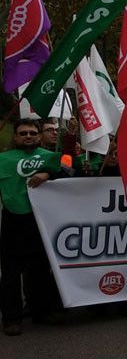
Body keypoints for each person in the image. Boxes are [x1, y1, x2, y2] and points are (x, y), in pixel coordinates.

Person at [0, 119, 63, 336]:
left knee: (39, 269)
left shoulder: (51, 157)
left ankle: (41, 312)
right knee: (10, 273)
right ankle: (11, 319)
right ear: (15, 136)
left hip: (42, 220)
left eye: (32, 133)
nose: (28, 136)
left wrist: (48, 173)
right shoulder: (3, 159)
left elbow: (71, 174)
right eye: (23, 133)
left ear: (38, 136)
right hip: (13, 219)